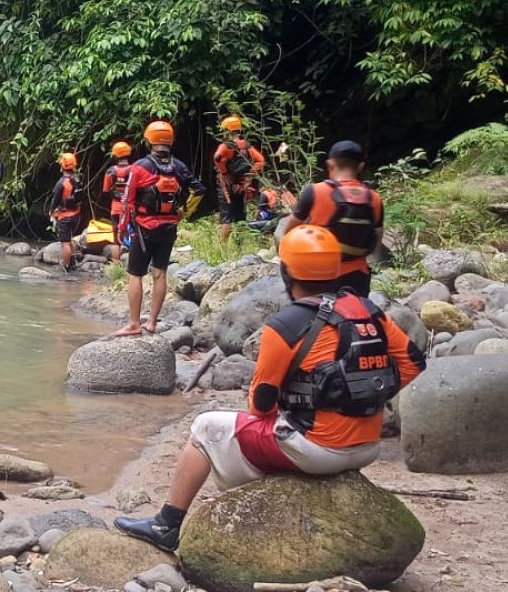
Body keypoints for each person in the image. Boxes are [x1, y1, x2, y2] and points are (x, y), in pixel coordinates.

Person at [115, 225, 426, 551]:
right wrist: (366, 398)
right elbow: (413, 363)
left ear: (286, 272)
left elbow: (260, 406)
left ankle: (166, 524)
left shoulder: (285, 325)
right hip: (367, 445)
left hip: (316, 450)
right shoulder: (369, 311)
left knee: (205, 427)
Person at [116, 121, 205, 337]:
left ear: (149, 140)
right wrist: (184, 213)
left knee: (135, 275)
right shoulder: (179, 167)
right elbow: (200, 190)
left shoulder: (139, 167)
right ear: (170, 141)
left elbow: (128, 200)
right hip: (169, 227)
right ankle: (153, 322)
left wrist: (122, 226)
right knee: (160, 273)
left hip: (145, 228)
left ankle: (134, 323)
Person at [283, 140, 383, 296]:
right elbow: (376, 241)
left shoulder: (315, 191)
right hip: (357, 277)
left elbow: (289, 232)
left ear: (330, 165)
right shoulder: (375, 198)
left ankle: (298, 304)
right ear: (360, 167)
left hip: (316, 276)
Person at [213, 115, 266, 241]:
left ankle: (223, 246)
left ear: (227, 130)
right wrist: (249, 176)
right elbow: (261, 161)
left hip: (226, 185)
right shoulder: (246, 146)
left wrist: (224, 173)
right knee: (240, 216)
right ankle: (239, 244)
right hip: (241, 185)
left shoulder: (225, 146)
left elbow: (217, 157)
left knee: (227, 217)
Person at [48, 152, 83, 272]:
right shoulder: (77, 179)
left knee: (65, 242)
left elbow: (56, 199)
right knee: (70, 238)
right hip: (76, 214)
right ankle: (73, 262)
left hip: (65, 215)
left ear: (62, 166)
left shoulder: (61, 183)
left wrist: (51, 211)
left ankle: (66, 265)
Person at [102, 141, 133, 263]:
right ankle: (132, 263)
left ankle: (116, 264)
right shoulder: (134, 170)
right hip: (130, 208)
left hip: (115, 208)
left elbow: (105, 191)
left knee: (115, 239)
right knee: (132, 234)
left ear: (115, 155)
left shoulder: (110, 171)